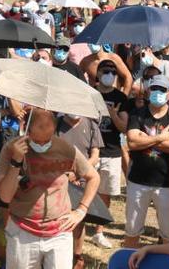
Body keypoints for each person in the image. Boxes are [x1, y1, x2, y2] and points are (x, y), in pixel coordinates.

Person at [0, 108, 100, 269]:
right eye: (38, 141)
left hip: (59, 230)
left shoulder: (65, 148)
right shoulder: (11, 148)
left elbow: (93, 177)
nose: (43, 144)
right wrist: (16, 161)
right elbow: (4, 197)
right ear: (27, 129)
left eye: (48, 139)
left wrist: (81, 210)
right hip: (22, 229)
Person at [124, 75, 169, 248]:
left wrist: (145, 139)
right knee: (132, 230)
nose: (157, 93)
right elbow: (132, 142)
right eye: (154, 89)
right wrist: (160, 137)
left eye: (162, 90)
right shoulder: (138, 113)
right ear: (148, 91)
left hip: (167, 183)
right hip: (138, 181)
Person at [91, 59, 131, 249]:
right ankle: (81, 224)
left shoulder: (121, 98)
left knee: (105, 193)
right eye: (106, 71)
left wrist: (112, 114)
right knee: (83, 190)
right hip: (90, 151)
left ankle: (99, 231)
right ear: (97, 74)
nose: (110, 75)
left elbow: (124, 128)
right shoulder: (89, 94)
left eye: (114, 73)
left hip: (112, 151)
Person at [56, 113, 104, 267]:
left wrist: (79, 171)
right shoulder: (55, 124)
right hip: (58, 178)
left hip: (82, 180)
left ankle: (77, 255)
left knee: (78, 221)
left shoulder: (91, 125)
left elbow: (95, 155)